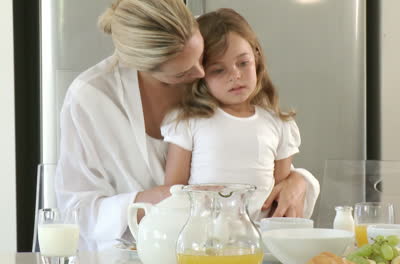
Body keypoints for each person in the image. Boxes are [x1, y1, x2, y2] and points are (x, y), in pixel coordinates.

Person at [55, 0, 319, 251]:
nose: (201, 74)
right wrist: (169, 198)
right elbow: (75, 213)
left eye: (202, 58)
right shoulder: (92, 99)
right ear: (140, 67)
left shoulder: (216, 49)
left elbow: (256, 157)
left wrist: (299, 182)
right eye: (182, 74)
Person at [162, 8, 305, 221]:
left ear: (256, 57)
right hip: (205, 239)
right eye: (218, 70)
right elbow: (172, 194)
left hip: (261, 241)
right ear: (200, 74)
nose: (235, 75)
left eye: (243, 63)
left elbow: (283, 199)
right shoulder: (188, 121)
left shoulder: (279, 123)